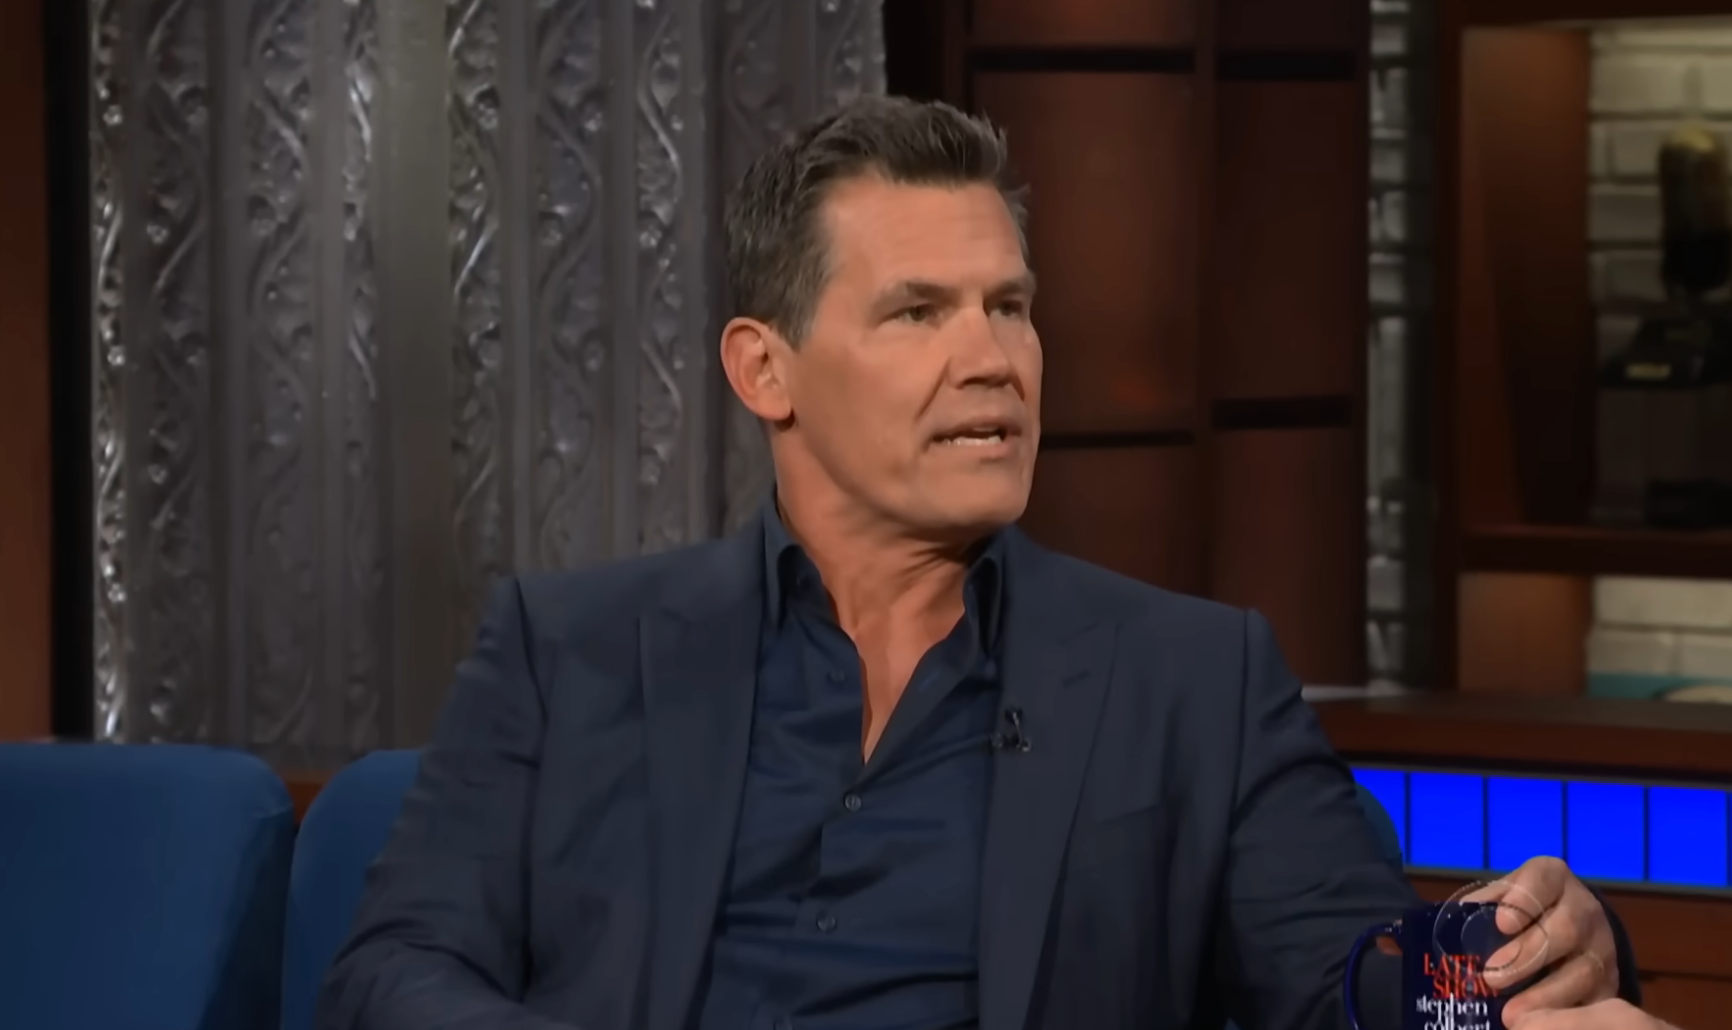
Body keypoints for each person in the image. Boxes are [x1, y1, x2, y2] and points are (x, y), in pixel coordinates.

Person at [318, 96, 1641, 1030]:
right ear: (764, 370)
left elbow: (1349, 979)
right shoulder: (569, 653)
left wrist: (1522, 962)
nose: (993, 358)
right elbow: (392, 973)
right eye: (918, 312)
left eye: (1010, 305)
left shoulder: (1192, 679)